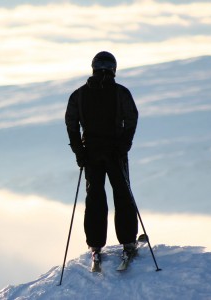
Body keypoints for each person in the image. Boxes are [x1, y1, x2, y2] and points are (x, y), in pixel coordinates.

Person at [65, 51, 139, 272]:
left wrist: (80, 152)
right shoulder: (120, 93)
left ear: (94, 68)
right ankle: (128, 242)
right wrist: (123, 145)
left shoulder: (79, 95)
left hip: (91, 154)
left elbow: (71, 124)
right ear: (113, 69)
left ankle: (96, 245)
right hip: (116, 153)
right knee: (123, 194)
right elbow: (131, 119)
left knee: (95, 197)